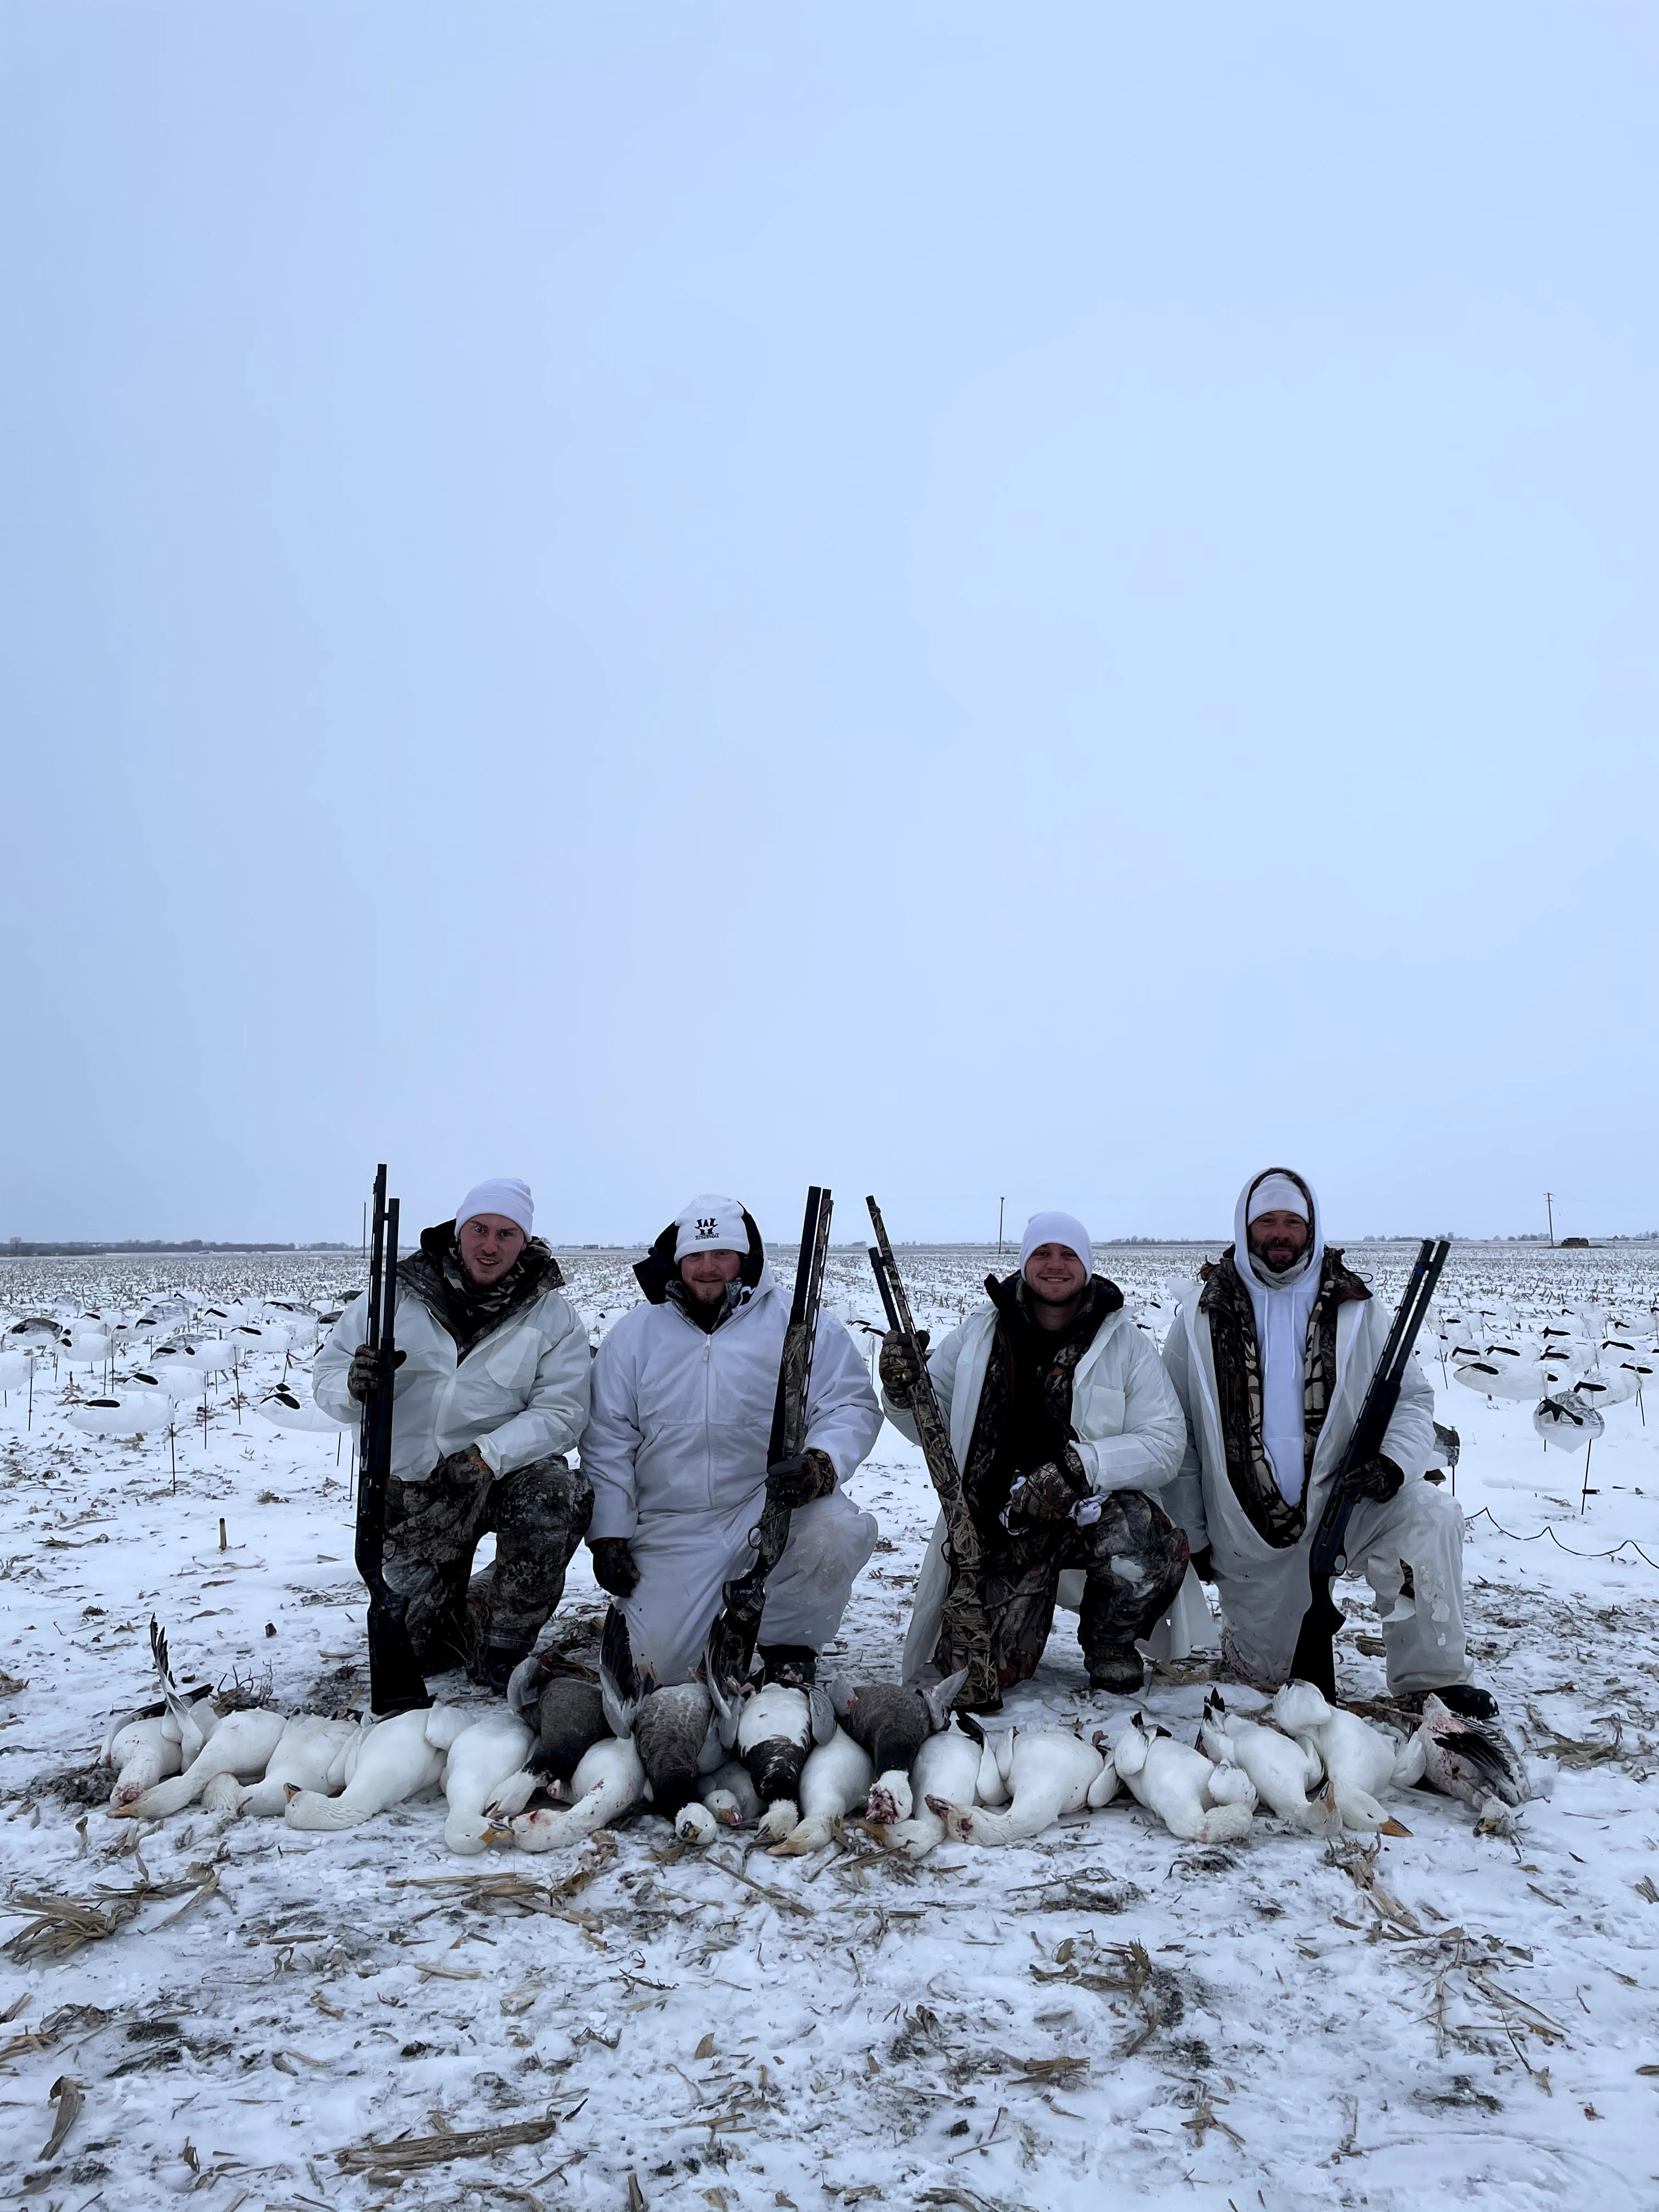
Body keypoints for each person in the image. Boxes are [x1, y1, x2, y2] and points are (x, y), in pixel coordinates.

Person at [1161, 1167, 1492, 1713]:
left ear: (1311, 1229)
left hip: (1350, 1504)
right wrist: (1195, 1535)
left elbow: (1411, 1400)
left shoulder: (1359, 1310)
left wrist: (1392, 1466)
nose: (1281, 1232)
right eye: (1267, 1221)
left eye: (1293, 1221)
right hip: (1250, 1534)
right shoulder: (1199, 1318)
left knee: (1431, 1516)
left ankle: (1432, 1680)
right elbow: (1181, 1434)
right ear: (1246, 1229)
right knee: (1268, 1686)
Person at [881, 1212, 1190, 1703]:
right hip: (1002, 1529)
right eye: (1042, 1253)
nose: (1055, 1265)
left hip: (1090, 1514)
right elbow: (931, 1425)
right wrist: (901, 1392)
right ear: (1025, 1263)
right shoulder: (979, 1334)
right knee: (982, 1678)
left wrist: (1081, 1467)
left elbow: (1166, 1442)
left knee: (1147, 1537)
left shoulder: (1126, 1343)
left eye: (1069, 1254)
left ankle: (1111, 1643)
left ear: (1087, 1267)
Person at [580, 1193, 882, 1688]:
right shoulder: (635, 1335)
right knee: (656, 1674)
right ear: (676, 1261)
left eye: (721, 1253)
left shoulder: (797, 1322)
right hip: (671, 1526)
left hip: (767, 1509)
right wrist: (610, 1533)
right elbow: (607, 1437)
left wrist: (821, 1463)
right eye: (695, 1255)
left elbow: (850, 1403)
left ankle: (789, 1645)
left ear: (744, 1259)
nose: (708, 1267)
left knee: (832, 1530)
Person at [314, 1178, 592, 1692]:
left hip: (499, 1477)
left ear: (525, 1241)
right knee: (425, 1656)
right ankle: (471, 1600)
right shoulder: (391, 1297)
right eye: (480, 1230)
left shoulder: (552, 1316)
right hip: (412, 1488)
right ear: (458, 1231)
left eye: (507, 1234)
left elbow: (564, 1410)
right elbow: (327, 1377)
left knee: (554, 1494)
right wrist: (355, 1387)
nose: (490, 1246)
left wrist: (488, 1456)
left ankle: (505, 1644)